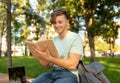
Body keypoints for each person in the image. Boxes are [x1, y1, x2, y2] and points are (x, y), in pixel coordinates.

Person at [30, 8, 83, 83]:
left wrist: (50, 58)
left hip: (69, 74)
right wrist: (41, 57)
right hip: (53, 73)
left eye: (60, 22)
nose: (57, 25)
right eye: (54, 22)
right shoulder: (53, 40)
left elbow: (72, 64)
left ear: (67, 22)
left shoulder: (75, 38)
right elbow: (48, 65)